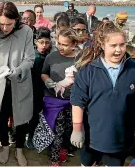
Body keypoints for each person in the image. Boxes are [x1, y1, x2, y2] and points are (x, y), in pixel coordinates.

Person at [70, 22, 135, 166]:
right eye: (113, 46)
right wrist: (77, 128)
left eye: (122, 45)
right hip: (92, 136)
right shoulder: (88, 71)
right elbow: (78, 101)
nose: (119, 50)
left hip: (120, 138)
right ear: (102, 45)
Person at [0, 1, 35, 166]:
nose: (5, 28)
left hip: (20, 81)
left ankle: (19, 149)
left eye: (9, 24)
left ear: (16, 19)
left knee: (22, 118)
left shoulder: (26, 31)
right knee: (1, 118)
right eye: (2, 24)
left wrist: (18, 70)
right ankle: (4, 146)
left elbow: (30, 58)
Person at [41, 29, 79, 166]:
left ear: (74, 44)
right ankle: (54, 158)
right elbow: (44, 73)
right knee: (57, 130)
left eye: (65, 44)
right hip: (53, 101)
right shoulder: (51, 57)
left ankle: (64, 148)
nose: (60, 47)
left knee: (69, 129)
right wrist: (49, 82)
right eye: (59, 43)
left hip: (73, 102)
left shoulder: (80, 59)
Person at [26, 27, 51, 149]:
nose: (44, 45)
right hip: (32, 91)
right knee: (32, 115)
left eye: (47, 42)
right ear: (36, 41)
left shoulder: (51, 57)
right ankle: (30, 136)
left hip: (45, 92)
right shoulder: (31, 56)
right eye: (41, 42)